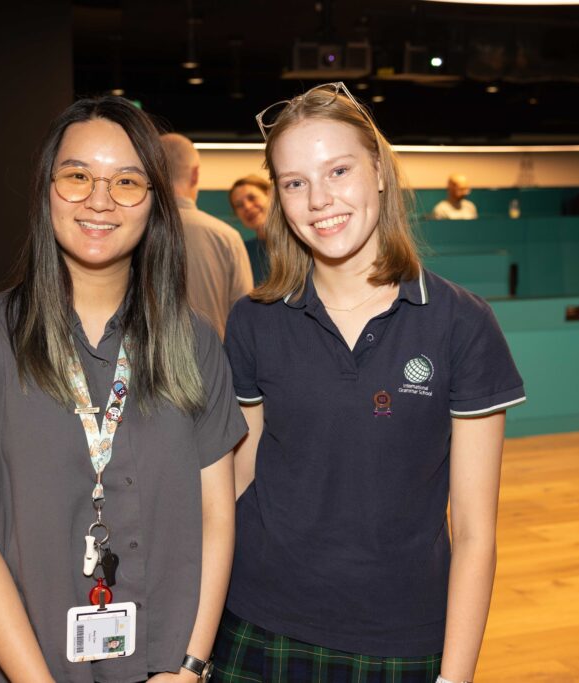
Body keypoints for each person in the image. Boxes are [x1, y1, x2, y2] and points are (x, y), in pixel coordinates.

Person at [0, 97, 246, 683]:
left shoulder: (193, 341)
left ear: (155, 201)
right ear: (47, 189)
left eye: (127, 181)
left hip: (166, 665)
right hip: (29, 666)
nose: (100, 200)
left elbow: (217, 513)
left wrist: (190, 665)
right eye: (78, 176)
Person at [213, 82, 525, 683]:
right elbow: (234, 481)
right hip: (256, 622)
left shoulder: (462, 323)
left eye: (338, 170)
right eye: (294, 182)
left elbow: (475, 533)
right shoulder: (254, 319)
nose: (319, 200)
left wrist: (455, 676)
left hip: (401, 638)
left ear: (379, 171)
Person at [160, 133, 253, 339]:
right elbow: (245, 320)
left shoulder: (134, 236)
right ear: (195, 175)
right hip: (216, 358)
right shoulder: (228, 238)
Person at [228, 175, 271, 284]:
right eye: (239, 205)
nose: (247, 207)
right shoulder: (242, 252)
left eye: (252, 198)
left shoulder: (300, 244)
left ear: (270, 196)